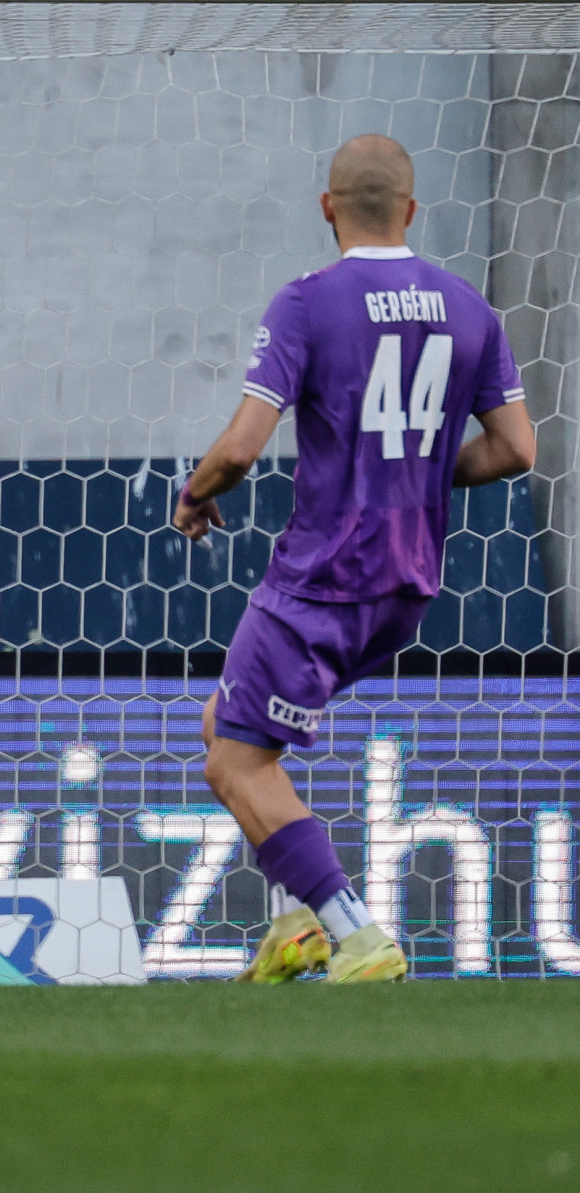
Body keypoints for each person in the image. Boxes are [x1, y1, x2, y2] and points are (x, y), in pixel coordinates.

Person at [174, 134, 534, 985]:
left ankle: (356, 934)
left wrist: (195, 494)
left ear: (327, 208)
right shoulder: (469, 307)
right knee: (226, 727)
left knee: (233, 759)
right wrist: (415, 470)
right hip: (406, 584)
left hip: (322, 574)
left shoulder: (308, 303)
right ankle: (292, 923)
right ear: (412, 210)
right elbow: (516, 449)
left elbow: (241, 448)